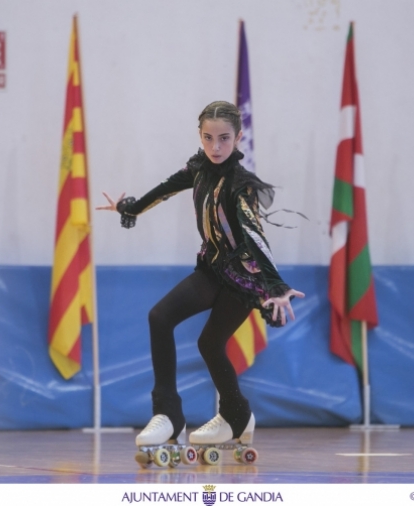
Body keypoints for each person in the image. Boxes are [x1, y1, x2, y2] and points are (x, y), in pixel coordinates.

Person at [97, 100, 304, 448]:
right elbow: (164, 189)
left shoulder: (241, 186)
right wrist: (129, 207)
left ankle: (235, 416)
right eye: (208, 138)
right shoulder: (199, 169)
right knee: (160, 317)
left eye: (224, 139)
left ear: (238, 138)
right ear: (200, 136)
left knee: (210, 343)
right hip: (211, 268)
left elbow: (254, 234)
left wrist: (276, 285)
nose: (215, 147)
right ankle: (169, 415)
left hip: (242, 279)